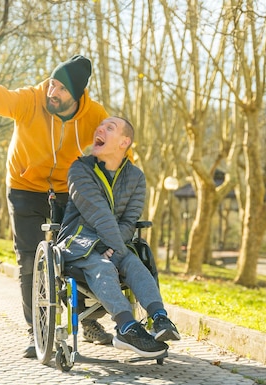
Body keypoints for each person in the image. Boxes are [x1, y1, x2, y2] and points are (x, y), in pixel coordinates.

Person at [0, 48, 115, 357]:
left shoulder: (94, 115)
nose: (52, 91)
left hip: (70, 191)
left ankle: (89, 321)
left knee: (79, 255)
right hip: (25, 187)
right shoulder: (33, 100)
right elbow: (4, 99)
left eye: (62, 88)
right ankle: (36, 328)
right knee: (30, 260)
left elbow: (114, 147)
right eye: (52, 83)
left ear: (77, 94)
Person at [56, 116, 181, 358]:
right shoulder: (80, 170)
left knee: (135, 264)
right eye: (99, 125)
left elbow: (129, 222)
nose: (99, 129)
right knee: (102, 266)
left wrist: (115, 248)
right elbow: (99, 214)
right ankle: (126, 327)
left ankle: (160, 319)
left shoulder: (136, 178)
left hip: (117, 243)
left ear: (125, 142)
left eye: (109, 127)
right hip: (80, 242)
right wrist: (114, 248)